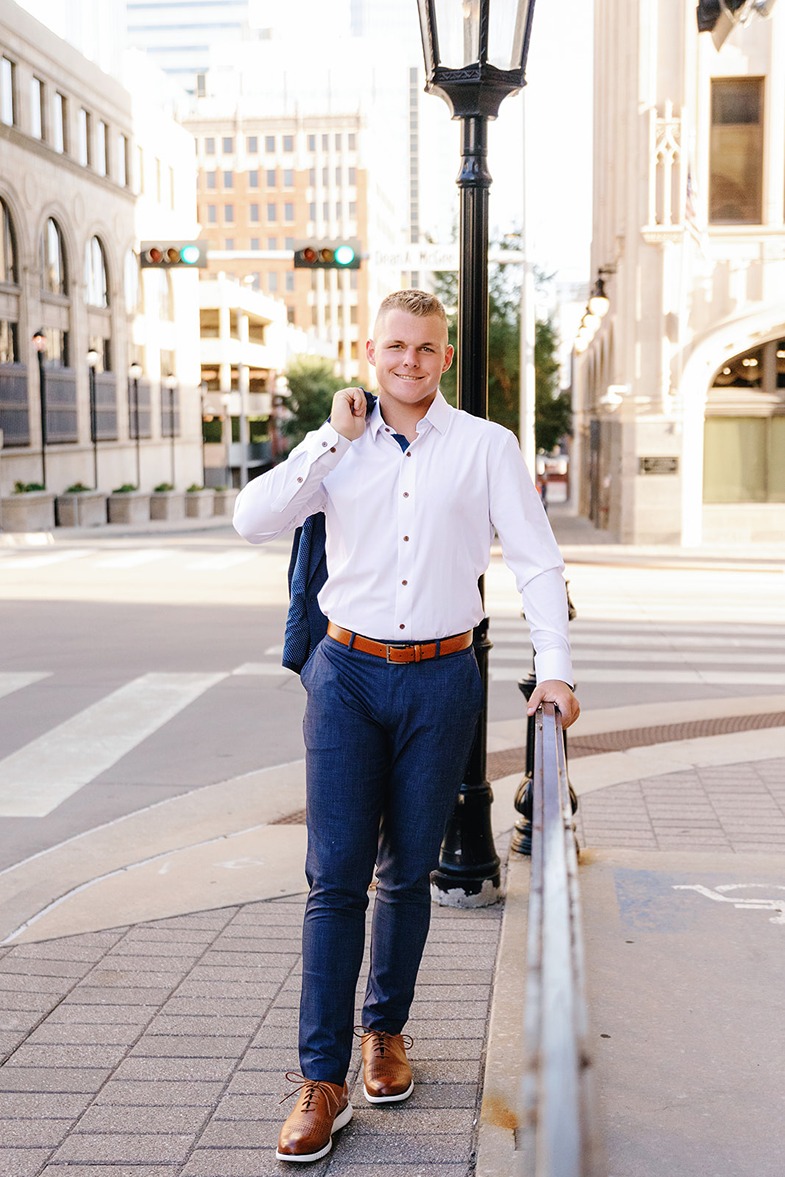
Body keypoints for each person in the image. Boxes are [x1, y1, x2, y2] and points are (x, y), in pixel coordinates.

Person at [233, 289, 579, 1164]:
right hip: (345, 674)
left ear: (445, 357)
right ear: (369, 350)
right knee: (334, 878)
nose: (408, 362)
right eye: (394, 346)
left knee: (408, 872)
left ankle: (382, 1034)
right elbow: (251, 520)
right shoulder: (336, 448)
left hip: (441, 679)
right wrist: (327, 440)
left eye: (425, 349)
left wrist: (558, 670)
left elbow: (537, 563)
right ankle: (321, 1079)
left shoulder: (486, 448)